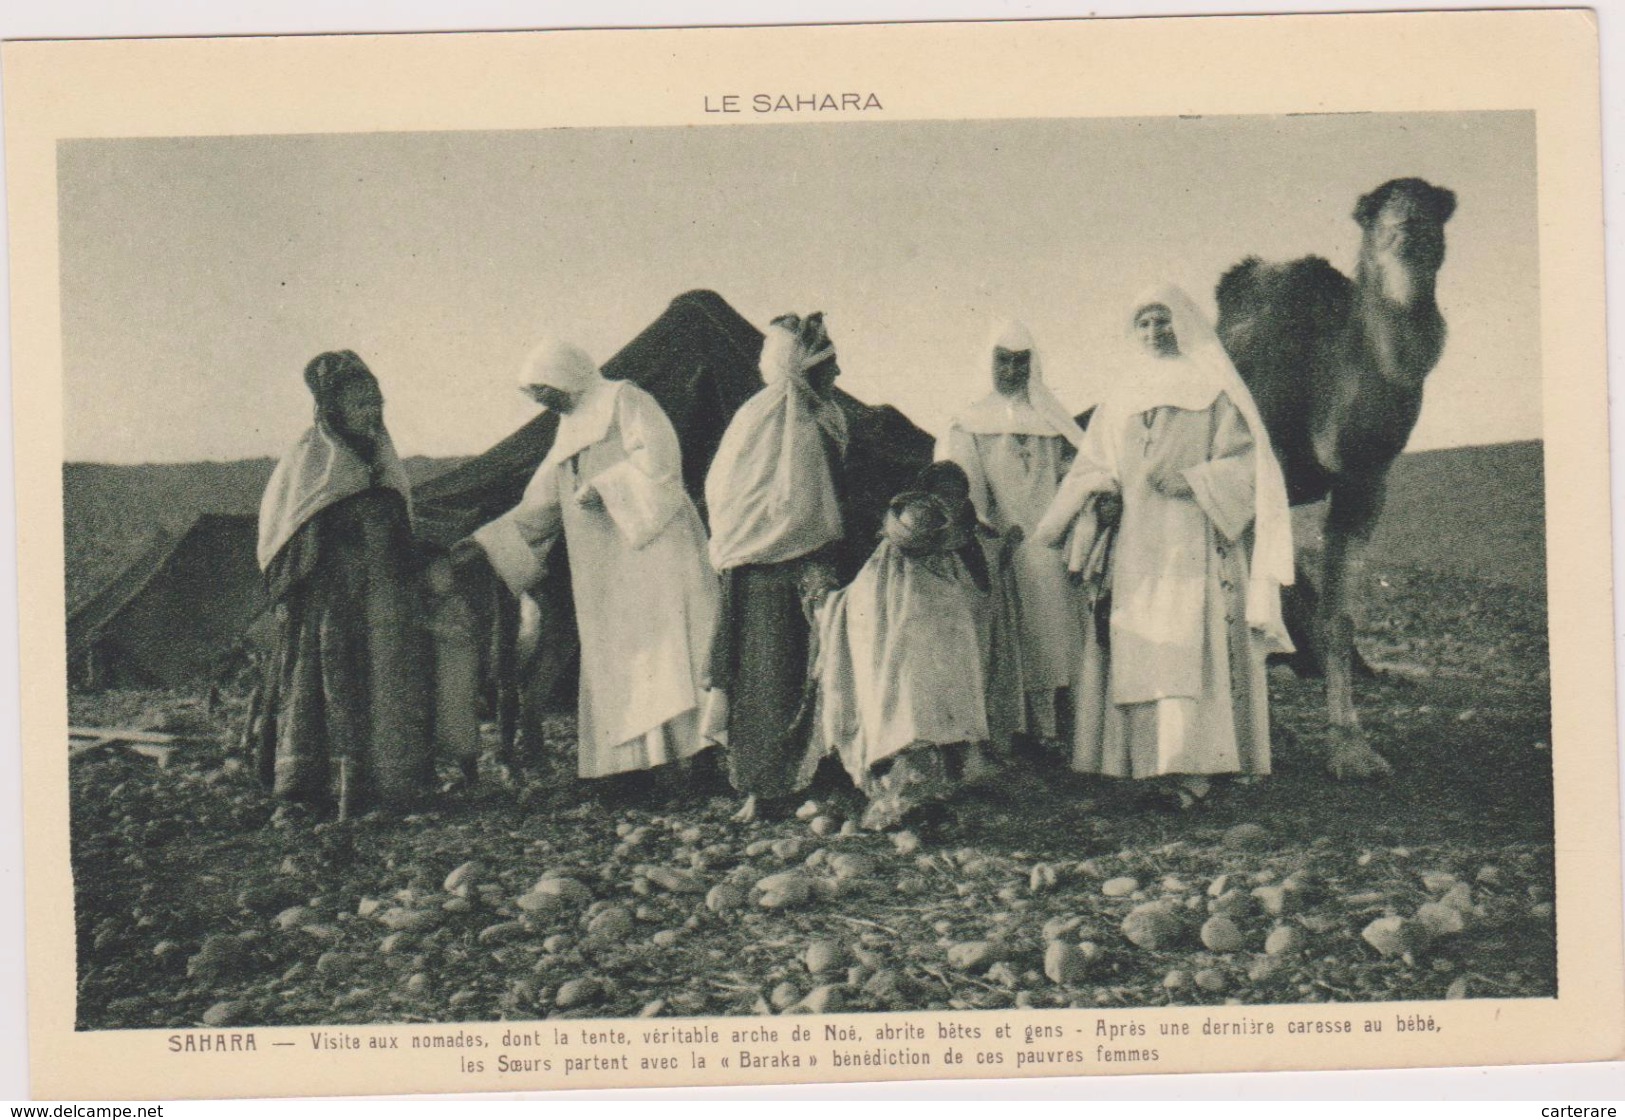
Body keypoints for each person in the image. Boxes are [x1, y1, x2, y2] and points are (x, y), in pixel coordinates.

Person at [1034, 284, 1294, 808]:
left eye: (1164, 320)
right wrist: (1096, 496)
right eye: (1145, 323)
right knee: (1143, 649)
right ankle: (1147, 767)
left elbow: (1248, 465)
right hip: (1136, 547)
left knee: (1193, 647)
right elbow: (1095, 464)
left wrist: (1197, 480)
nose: (1155, 331)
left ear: (1184, 323)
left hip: (1194, 538)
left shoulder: (1214, 390)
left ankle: (1196, 768)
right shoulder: (1121, 397)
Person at [457, 338, 718, 786]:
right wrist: (486, 544)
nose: (544, 402)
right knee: (623, 662)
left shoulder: (625, 398)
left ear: (565, 375)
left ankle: (692, 766)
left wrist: (608, 486)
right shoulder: (570, 424)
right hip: (607, 568)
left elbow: (661, 465)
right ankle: (631, 769)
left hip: (653, 552)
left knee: (668, 654)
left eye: (545, 390)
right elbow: (540, 503)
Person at [253, 350, 433, 816]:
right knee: (329, 681)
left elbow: (402, 524)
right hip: (331, 597)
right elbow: (283, 530)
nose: (372, 412)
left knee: (387, 681)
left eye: (377, 402)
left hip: (384, 596)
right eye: (360, 404)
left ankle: (390, 786)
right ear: (334, 409)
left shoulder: (386, 461)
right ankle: (318, 787)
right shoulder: (308, 461)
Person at [703, 312, 849, 822]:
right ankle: (763, 788)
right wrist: (767, 542)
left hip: (817, 567)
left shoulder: (827, 417)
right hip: (763, 574)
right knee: (765, 682)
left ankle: (822, 781)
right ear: (799, 370)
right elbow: (731, 500)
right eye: (827, 366)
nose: (837, 375)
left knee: (822, 674)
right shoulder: (758, 422)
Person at [813, 462, 1005, 831]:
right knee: (909, 732)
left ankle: (921, 797)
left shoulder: (927, 583)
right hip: (907, 723)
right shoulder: (884, 584)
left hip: (925, 721)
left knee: (920, 732)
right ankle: (904, 801)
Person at [939, 320, 1088, 747]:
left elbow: (1074, 473)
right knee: (1019, 637)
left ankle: (1065, 729)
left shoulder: (1051, 418)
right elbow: (964, 487)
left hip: (1053, 540)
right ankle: (1023, 732)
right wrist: (989, 529)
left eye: (1021, 362)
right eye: (1002, 361)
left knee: (1059, 636)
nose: (1011, 371)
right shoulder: (968, 421)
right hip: (1004, 543)